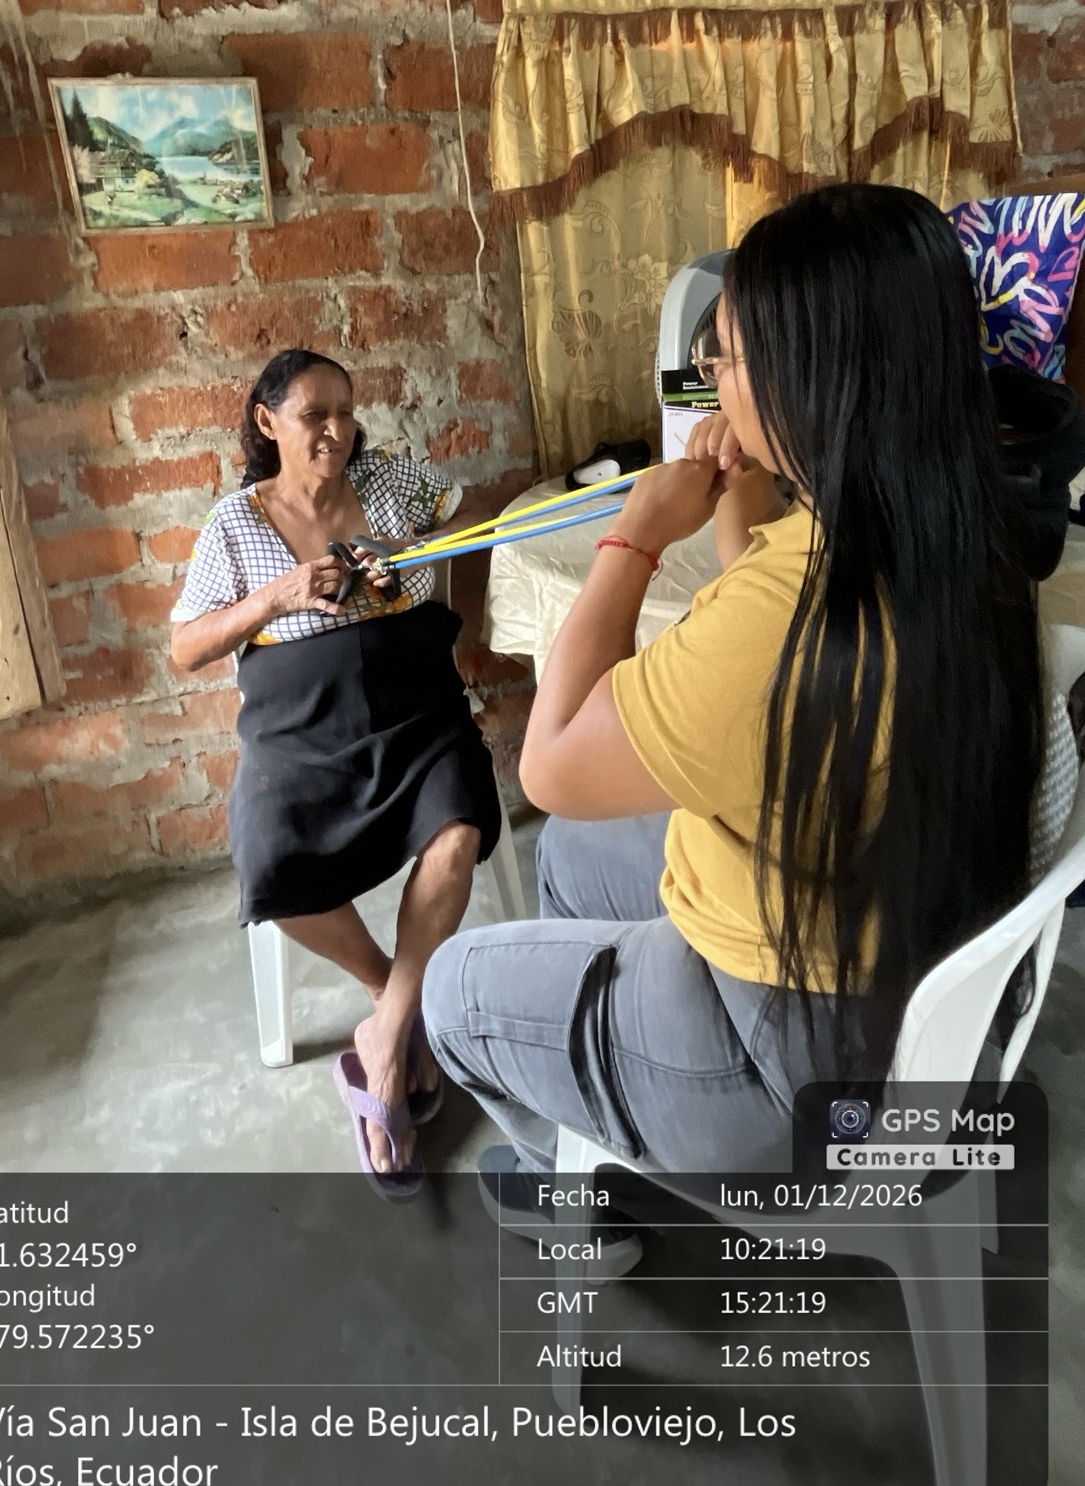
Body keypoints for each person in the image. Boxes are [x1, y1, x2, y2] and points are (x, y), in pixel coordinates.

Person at [422, 182, 1075, 1250]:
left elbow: (550, 762)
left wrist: (633, 535)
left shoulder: (784, 617)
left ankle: (595, 1186)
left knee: (454, 990)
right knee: (578, 858)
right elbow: (768, 659)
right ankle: (609, 1090)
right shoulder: (956, 520)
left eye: (723, 354)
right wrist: (740, 490)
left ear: (806, 377)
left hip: (785, 1066)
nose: (711, 375)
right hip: (889, 956)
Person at [170, 348, 500, 1194]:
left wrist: (411, 544)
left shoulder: (390, 480)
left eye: (346, 412)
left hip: (417, 706)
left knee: (458, 826)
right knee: (271, 859)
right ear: (267, 421)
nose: (336, 430)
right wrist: (277, 595)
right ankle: (396, 1000)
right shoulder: (234, 523)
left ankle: (383, 1041)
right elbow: (185, 646)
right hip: (299, 729)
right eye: (314, 413)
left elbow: (483, 513)